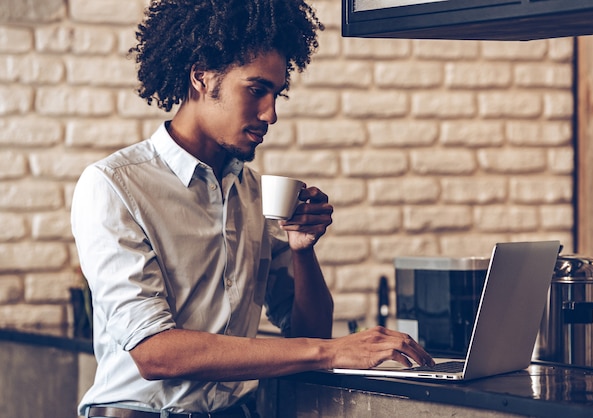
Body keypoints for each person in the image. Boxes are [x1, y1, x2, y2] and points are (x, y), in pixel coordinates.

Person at [71, 0, 434, 417]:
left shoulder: (252, 192)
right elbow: (156, 353)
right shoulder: (114, 186)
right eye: (256, 90)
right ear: (202, 78)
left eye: (276, 94)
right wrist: (331, 352)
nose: (271, 114)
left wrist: (302, 250)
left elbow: (306, 330)